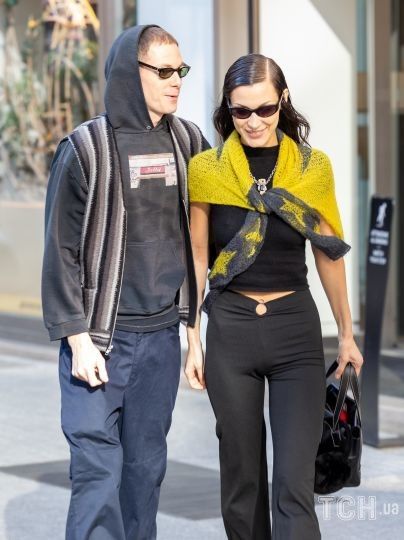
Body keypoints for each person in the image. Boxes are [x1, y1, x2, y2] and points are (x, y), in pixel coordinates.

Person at [185, 53, 364, 540]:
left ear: (282, 101)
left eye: (264, 109)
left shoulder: (312, 168)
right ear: (228, 109)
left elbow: (328, 253)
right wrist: (193, 338)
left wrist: (347, 334)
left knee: (293, 484)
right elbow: (198, 257)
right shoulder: (206, 170)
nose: (254, 121)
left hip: (295, 334)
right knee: (241, 482)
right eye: (241, 111)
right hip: (231, 330)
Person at [41, 24, 209, 540]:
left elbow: (209, 233)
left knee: (144, 474)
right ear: (130, 74)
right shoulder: (85, 148)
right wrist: (77, 339)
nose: (176, 80)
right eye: (164, 71)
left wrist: (193, 334)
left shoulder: (187, 142)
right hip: (99, 340)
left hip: (160, 341)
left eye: (180, 70)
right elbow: (60, 250)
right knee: (97, 474)